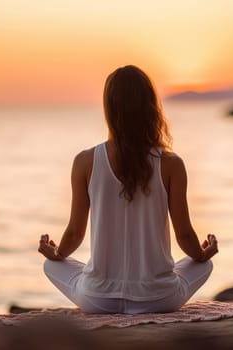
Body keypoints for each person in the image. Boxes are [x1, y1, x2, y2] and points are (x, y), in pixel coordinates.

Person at [38, 65, 218, 314]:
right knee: (204, 266)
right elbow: (186, 237)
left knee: (51, 266)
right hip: (158, 300)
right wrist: (202, 253)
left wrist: (56, 253)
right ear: (151, 107)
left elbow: (74, 235)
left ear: (109, 109)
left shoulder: (85, 161)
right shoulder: (171, 164)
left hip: (98, 300)